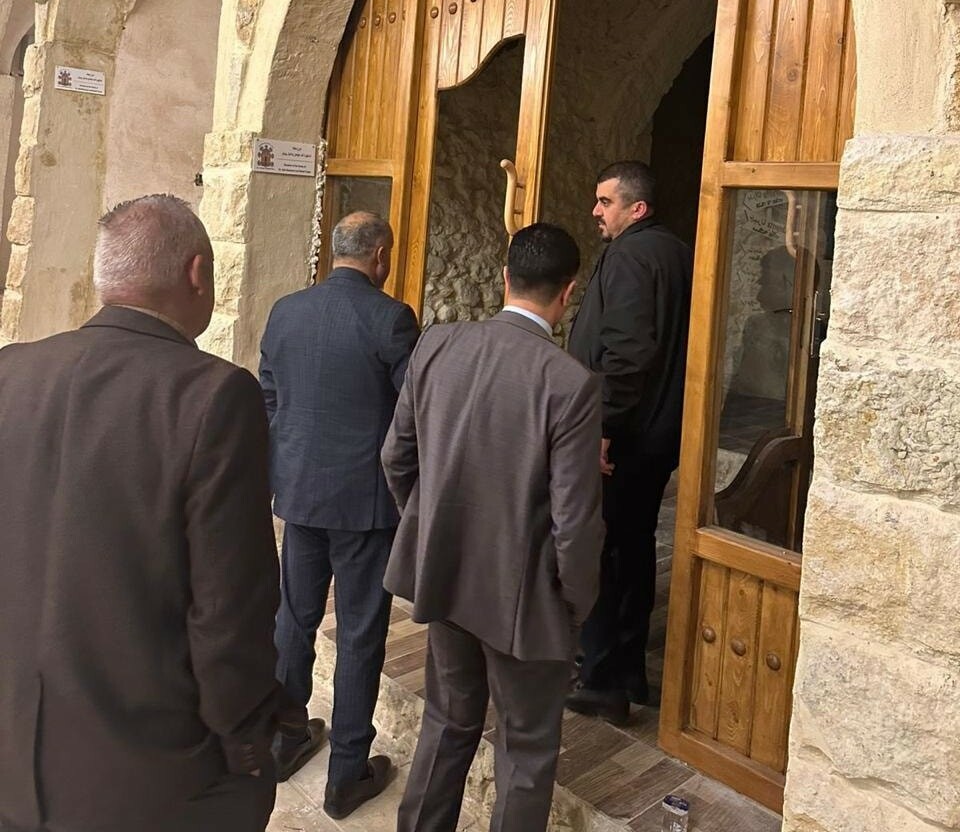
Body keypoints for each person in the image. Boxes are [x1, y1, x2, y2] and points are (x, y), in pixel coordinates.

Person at [0, 194, 295, 832]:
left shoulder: (10, 371)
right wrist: (247, 744)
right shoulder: (213, 395)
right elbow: (230, 608)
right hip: (151, 775)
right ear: (197, 273)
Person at [382, 223, 603, 832]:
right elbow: (575, 521)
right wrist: (575, 605)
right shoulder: (571, 383)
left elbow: (396, 457)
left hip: (446, 574)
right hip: (525, 598)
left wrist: (431, 531)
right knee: (526, 750)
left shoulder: (437, 344)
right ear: (568, 293)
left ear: (505, 278)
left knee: (447, 721)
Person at [260, 211, 419, 819]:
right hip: (364, 505)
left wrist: (292, 458)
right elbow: (412, 412)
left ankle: (284, 737)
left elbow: (270, 395)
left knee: (294, 617)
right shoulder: (390, 317)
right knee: (359, 634)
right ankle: (347, 772)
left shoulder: (286, 310)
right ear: (379, 256)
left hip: (300, 494)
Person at [566, 161, 693, 725]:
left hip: (627, 438)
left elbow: (627, 354)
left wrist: (602, 428)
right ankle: (629, 673)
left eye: (606, 202)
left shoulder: (630, 256)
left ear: (636, 208)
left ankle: (603, 681)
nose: (596, 211)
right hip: (658, 431)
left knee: (604, 552)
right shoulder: (675, 251)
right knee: (633, 547)